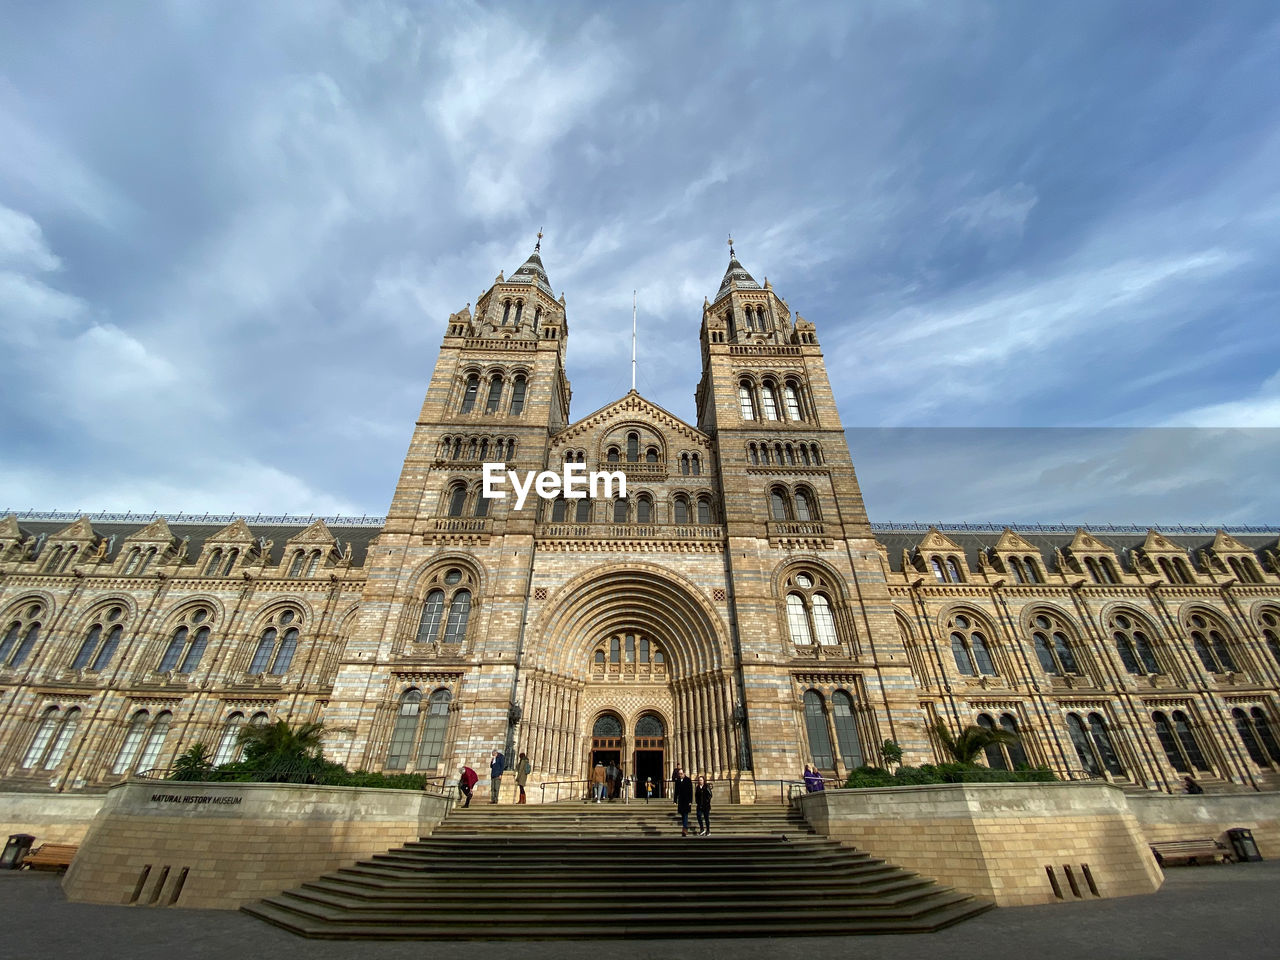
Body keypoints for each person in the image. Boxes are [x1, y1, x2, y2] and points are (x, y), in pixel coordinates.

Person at [672, 767, 694, 836]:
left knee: (685, 814)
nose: (680, 775)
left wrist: (690, 801)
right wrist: (675, 800)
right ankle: (685, 827)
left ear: (684, 773)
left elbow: (691, 791)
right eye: (679, 774)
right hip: (681, 800)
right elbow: (676, 791)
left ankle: (685, 828)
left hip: (687, 800)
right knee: (682, 814)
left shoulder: (688, 780)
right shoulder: (678, 781)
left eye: (681, 774)